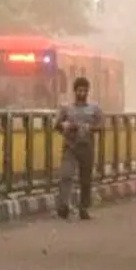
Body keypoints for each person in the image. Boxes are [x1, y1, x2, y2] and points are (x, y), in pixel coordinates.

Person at [56, 76, 103, 220]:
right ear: (75, 91)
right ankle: (63, 205)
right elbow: (56, 125)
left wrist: (91, 128)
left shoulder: (94, 109)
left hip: (86, 147)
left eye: (84, 91)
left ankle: (84, 208)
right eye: (79, 91)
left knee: (85, 179)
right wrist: (65, 126)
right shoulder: (66, 109)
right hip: (70, 147)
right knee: (66, 175)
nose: (82, 93)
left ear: (88, 91)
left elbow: (101, 126)